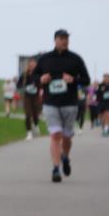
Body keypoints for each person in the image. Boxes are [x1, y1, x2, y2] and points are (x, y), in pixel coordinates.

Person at [32, 30, 90, 182]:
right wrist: (41, 79)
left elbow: (86, 80)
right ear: (55, 40)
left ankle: (65, 157)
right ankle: (56, 169)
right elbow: (34, 77)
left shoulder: (75, 59)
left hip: (70, 103)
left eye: (67, 39)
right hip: (50, 103)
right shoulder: (45, 59)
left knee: (66, 136)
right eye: (62, 38)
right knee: (55, 135)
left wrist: (74, 79)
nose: (65, 41)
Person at [16, 58, 41, 141]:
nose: (32, 66)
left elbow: (43, 84)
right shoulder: (24, 75)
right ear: (28, 66)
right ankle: (29, 132)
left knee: (35, 114)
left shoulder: (39, 74)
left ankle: (36, 124)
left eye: (33, 65)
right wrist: (23, 87)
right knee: (28, 114)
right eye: (30, 65)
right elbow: (18, 85)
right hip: (27, 96)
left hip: (36, 96)